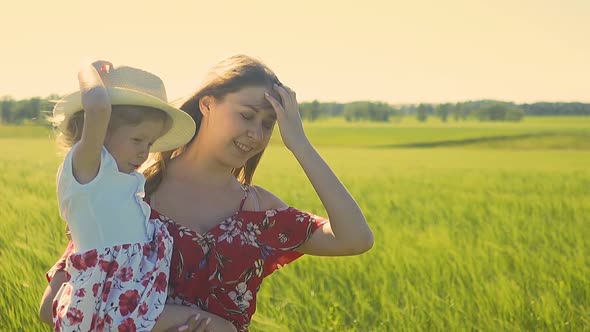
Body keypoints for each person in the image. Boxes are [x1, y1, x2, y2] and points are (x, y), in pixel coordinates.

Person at [41, 55, 374, 332]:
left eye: (268, 124)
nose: (256, 134)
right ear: (207, 104)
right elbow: (55, 304)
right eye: (246, 115)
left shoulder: (259, 210)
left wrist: (299, 144)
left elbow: (356, 238)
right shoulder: (132, 193)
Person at [46, 60, 196, 331]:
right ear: (100, 131)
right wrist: (88, 70)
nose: (144, 152)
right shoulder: (89, 170)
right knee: (216, 326)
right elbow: (99, 106)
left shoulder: (125, 181)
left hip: (130, 301)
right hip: (105, 303)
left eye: (149, 144)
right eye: (137, 140)